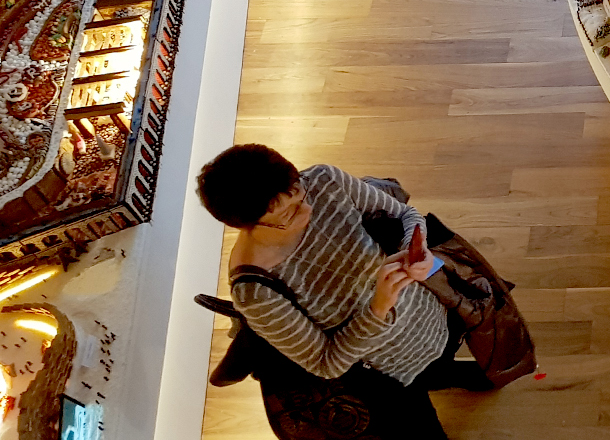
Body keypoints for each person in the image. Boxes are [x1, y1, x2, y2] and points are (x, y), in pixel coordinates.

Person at [196, 145, 489, 437]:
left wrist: (417, 251)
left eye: (300, 191)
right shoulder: (255, 290)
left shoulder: (324, 180)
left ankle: (446, 373)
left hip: (430, 317)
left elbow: (405, 215)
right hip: (388, 372)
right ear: (246, 225)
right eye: (289, 213)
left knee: (441, 362)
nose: (309, 208)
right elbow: (326, 363)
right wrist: (379, 308)